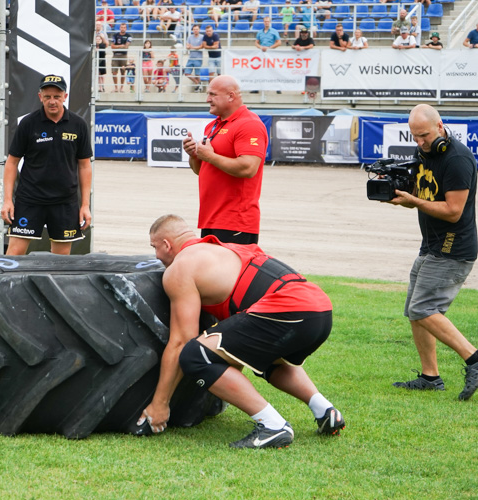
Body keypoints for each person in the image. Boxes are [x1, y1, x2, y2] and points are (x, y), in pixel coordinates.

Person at [137, 214, 345, 448]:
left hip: (288, 308)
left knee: (195, 355)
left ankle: (273, 426)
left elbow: (180, 341)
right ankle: (325, 410)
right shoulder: (227, 249)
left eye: (154, 247)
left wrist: (159, 403)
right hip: (320, 310)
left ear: (167, 244)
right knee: (265, 358)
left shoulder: (180, 268)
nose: (155, 255)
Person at [386, 105, 478, 402]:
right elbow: (424, 197)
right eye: (415, 137)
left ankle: (474, 359)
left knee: (423, 308)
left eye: (424, 135)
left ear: (440, 127)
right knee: (415, 311)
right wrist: (404, 197)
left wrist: (414, 200)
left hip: (453, 246)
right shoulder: (424, 153)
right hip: (431, 243)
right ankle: (430, 377)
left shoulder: (458, 158)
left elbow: (453, 211)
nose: (420, 142)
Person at [1, 75, 92, 256]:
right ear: (40, 97)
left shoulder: (78, 125)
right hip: (30, 199)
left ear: (65, 97)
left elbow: (84, 166)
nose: (52, 101)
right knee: (14, 255)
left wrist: (85, 205)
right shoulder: (28, 123)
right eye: (47, 96)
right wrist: (7, 200)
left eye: (57, 97)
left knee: (60, 261)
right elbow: (11, 163)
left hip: (65, 202)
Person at [181, 75, 268, 244]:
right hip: (211, 218)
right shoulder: (213, 125)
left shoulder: (249, 124)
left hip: (235, 221)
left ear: (231, 96)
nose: (207, 99)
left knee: (231, 271)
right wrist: (194, 156)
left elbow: (248, 168)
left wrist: (210, 156)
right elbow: (201, 170)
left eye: (213, 94)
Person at [110, 21, 132, 93]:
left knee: (123, 72)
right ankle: (116, 87)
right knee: (114, 72)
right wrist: (120, 46)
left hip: (123, 56)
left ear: (126, 28)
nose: (123, 29)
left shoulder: (129, 36)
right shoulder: (115, 35)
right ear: (120, 28)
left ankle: (121, 88)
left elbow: (126, 46)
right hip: (115, 55)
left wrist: (117, 46)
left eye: (124, 27)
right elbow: (112, 46)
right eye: (122, 27)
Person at [184, 24, 204, 91]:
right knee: (187, 73)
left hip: (198, 58)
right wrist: (190, 47)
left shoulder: (202, 37)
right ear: (192, 30)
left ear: (199, 30)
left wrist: (192, 47)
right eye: (194, 29)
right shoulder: (190, 37)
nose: (195, 30)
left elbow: (201, 46)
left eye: (197, 29)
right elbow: (187, 46)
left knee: (197, 74)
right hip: (191, 58)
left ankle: (199, 86)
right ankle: (198, 83)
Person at [95, 23, 108, 93]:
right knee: (97, 74)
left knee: (101, 74)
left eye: (99, 25)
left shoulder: (102, 45)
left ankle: (102, 86)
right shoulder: (95, 46)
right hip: (96, 60)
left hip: (101, 60)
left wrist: (102, 37)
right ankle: (98, 87)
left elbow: (106, 44)